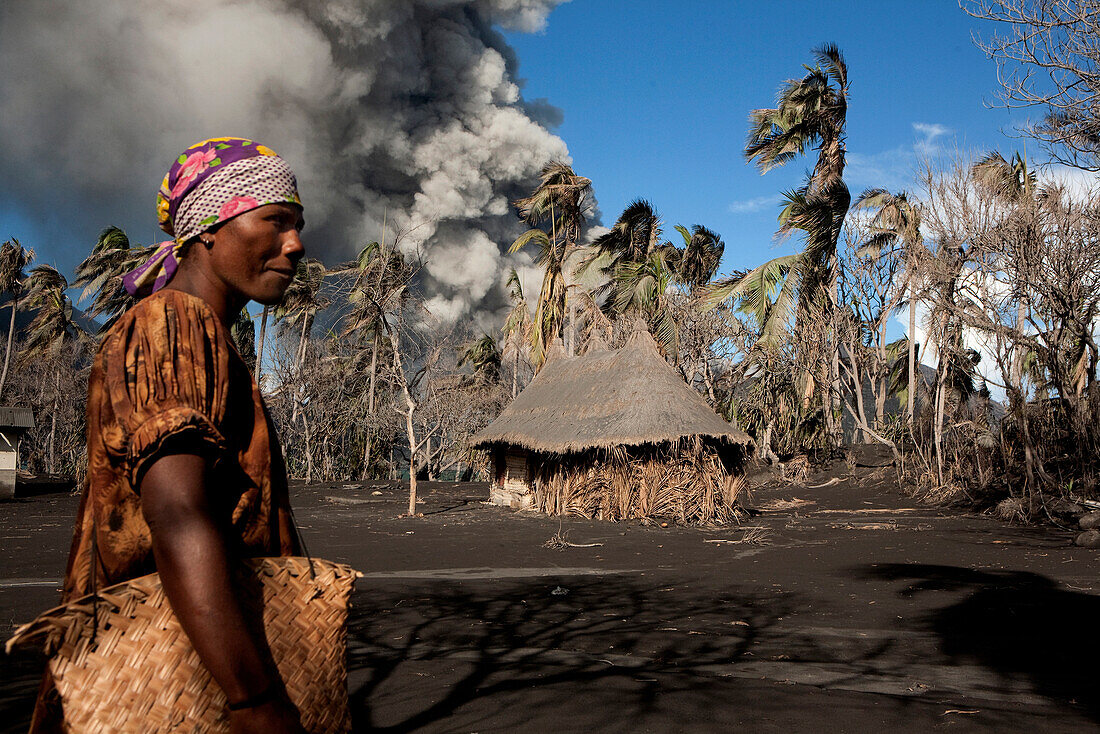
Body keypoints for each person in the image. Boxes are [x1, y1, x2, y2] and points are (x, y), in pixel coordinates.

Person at [31, 137, 309, 734]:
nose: (296, 243)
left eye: (298, 224)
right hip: (180, 677)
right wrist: (252, 698)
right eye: (275, 220)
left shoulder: (201, 331)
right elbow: (178, 513)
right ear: (209, 229)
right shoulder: (173, 323)